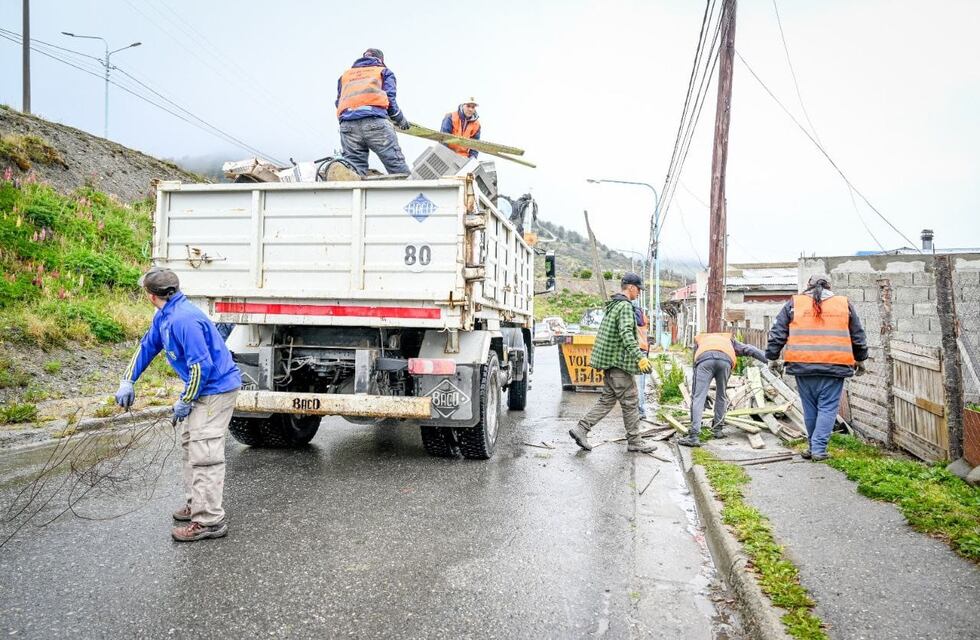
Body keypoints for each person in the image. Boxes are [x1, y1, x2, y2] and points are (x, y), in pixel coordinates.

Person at [114, 268, 242, 542]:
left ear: (150, 295)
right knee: (190, 443)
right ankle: (196, 504)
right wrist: (128, 380)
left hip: (215, 390)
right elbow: (147, 346)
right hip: (202, 388)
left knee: (204, 452)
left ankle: (209, 521)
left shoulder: (184, 320)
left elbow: (201, 366)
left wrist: (186, 400)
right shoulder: (165, 315)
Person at [766, 274, 868, 461]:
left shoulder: (794, 304)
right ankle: (819, 450)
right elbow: (858, 335)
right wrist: (860, 359)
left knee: (810, 407)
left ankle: (813, 447)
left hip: (802, 365)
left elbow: (777, 333)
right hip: (834, 365)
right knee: (828, 408)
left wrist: (772, 357)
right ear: (830, 285)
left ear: (808, 285)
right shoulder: (843, 304)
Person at [568, 273, 657, 453]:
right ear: (631, 287)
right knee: (631, 402)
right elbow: (626, 334)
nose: (639, 293)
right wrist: (640, 357)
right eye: (639, 289)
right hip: (619, 365)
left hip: (609, 363)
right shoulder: (624, 307)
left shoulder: (613, 305)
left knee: (607, 400)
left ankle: (581, 429)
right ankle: (635, 441)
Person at [676, 332, 766, 447]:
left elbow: (696, 366)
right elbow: (750, 349)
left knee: (698, 397)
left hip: (705, 360)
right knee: (721, 395)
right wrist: (769, 359)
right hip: (725, 361)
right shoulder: (729, 341)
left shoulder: (701, 341)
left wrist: (700, 396)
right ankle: (717, 430)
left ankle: (694, 436)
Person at [335, 48, 411, 176]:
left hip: (348, 125)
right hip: (375, 123)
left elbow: (339, 102)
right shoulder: (383, 71)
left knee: (354, 170)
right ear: (380, 60)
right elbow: (390, 100)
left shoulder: (345, 76)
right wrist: (400, 119)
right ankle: (410, 195)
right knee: (396, 166)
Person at [633, 300, 651, 421]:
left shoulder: (633, 315)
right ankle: (639, 408)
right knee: (640, 384)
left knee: (637, 383)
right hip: (643, 349)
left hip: (636, 350)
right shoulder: (643, 316)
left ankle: (639, 409)